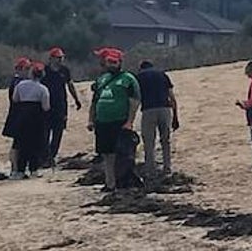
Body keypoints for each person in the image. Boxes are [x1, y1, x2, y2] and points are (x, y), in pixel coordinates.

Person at [87, 48, 140, 192]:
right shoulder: (101, 79)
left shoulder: (128, 79)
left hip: (120, 121)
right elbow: (94, 101)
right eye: (108, 61)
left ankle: (122, 182)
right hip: (102, 122)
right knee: (106, 153)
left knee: (121, 154)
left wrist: (129, 121)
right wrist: (91, 120)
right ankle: (109, 183)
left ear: (120, 63)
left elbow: (134, 100)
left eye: (114, 62)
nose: (110, 64)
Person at [137, 60, 179, 177]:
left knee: (149, 141)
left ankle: (150, 169)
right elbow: (172, 97)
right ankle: (167, 167)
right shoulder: (162, 75)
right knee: (165, 140)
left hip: (148, 110)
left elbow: (135, 97)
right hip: (165, 109)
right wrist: (175, 117)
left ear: (141, 68)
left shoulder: (139, 77)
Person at [42, 46, 82, 165]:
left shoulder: (65, 70)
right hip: (46, 104)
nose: (60, 60)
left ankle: (52, 156)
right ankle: (45, 156)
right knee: (45, 131)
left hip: (60, 105)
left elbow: (70, 85)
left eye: (61, 58)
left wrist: (76, 99)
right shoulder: (45, 70)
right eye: (57, 58)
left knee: (58, 131)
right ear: (51, 58)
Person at [12, 61, 51, 178]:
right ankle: (34, 169)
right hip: (36, 118)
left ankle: (20, 170)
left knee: (22, 144)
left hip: (22, 116)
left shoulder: (20, 85)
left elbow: (15, 99)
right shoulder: (43, 89)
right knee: (36, 144)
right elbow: (46, 107)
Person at [2, 56, 33, 177]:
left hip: (18, 116)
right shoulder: (17, 83)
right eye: (27, 68)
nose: (28, 71)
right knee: (17, 145)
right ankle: (15, 169)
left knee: (19, 144)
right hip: (17, 116)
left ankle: (17, 169)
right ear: (20, 69)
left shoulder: (18, 82)